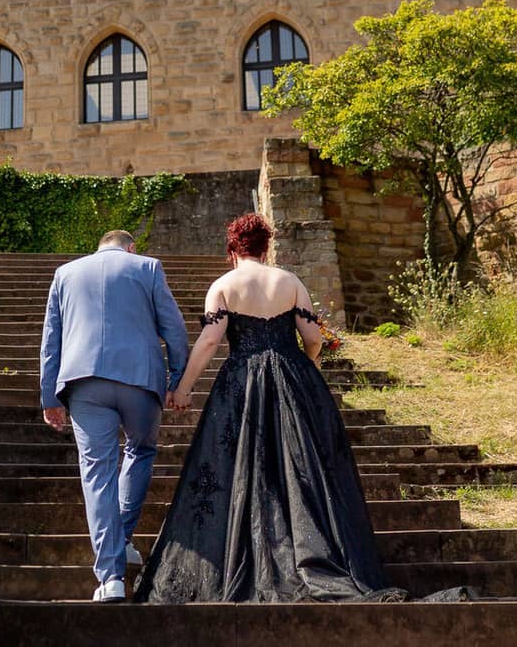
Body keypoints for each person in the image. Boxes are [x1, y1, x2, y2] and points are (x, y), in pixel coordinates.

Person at [133, 213, 403, 603]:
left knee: (244, 464)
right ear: (266, 247)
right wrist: (307, 368)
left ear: (231, 249)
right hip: (294, 380)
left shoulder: (223, 285)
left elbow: (210, 341)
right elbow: (313, 337)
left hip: (241, 382)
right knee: (302, 468)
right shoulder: (289, 281)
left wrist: (183, 388)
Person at [39, 229, 190, 604]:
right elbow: (174, 327)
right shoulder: (149, 267)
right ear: (131, 247)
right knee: (140, 451)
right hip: (140, 379)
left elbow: (51, 339)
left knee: (96, 472)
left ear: (100, 244)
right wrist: (178, 378)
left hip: (84, 381)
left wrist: (48, 396)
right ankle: (121, 539)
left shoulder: (66, 273)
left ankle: (110, 578)